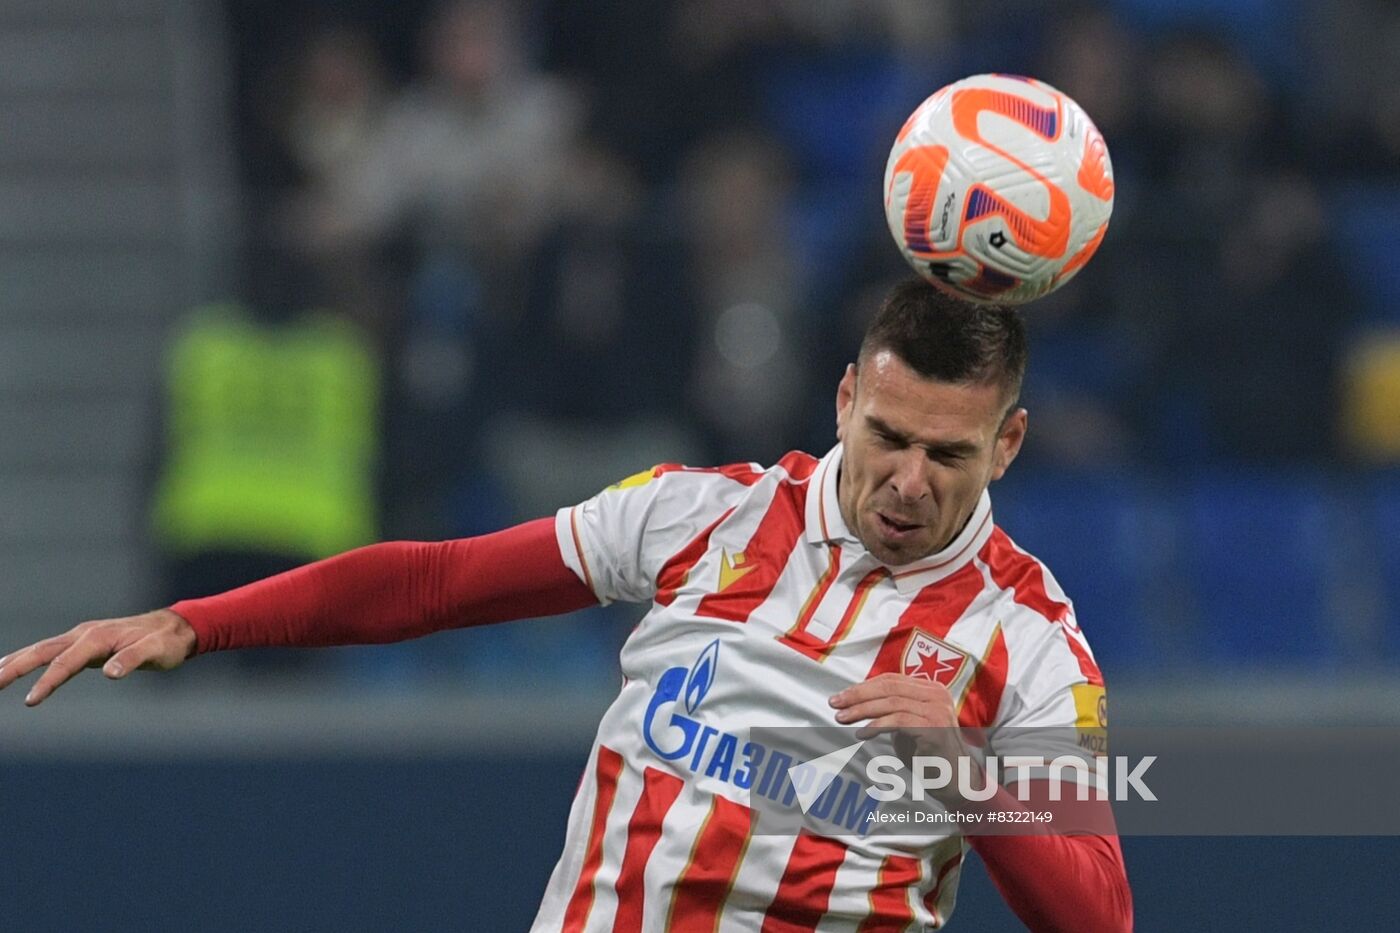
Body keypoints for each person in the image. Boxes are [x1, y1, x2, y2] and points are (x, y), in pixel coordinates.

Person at [0, 281, 1132, 931]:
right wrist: (199, 621)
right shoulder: (702, 516)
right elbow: (436, 581)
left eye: (948, 454)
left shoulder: (1035, 643)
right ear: (845, 400)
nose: (908, 481)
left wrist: (968, 777)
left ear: (1008, 444)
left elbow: (1100, 915)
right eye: (887, 436)